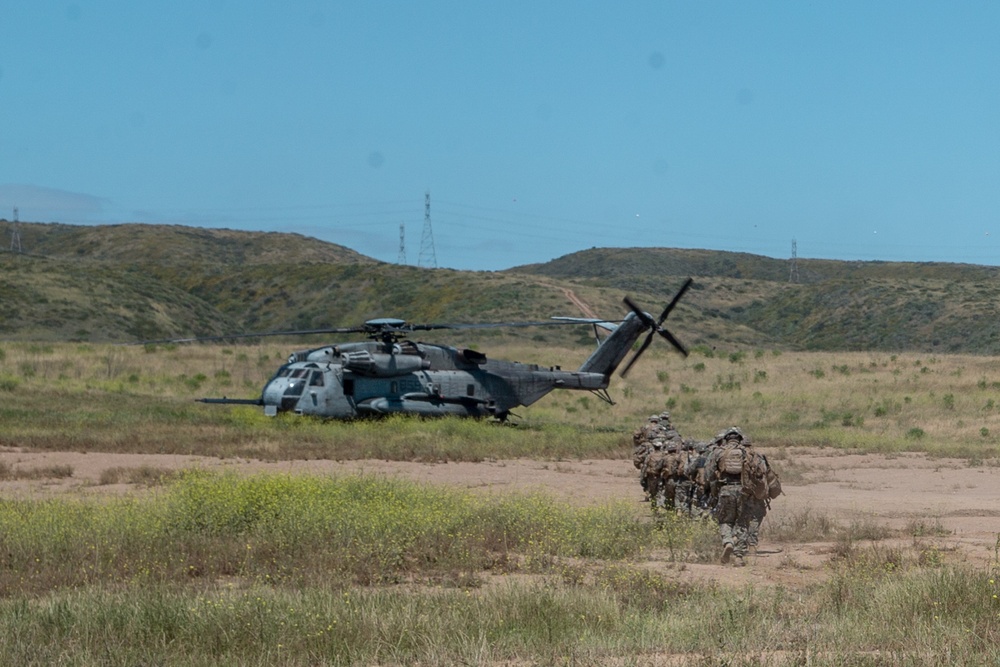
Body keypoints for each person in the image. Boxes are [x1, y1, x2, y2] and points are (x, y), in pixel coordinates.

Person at [705, 426, 779, 566]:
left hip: (725, 490)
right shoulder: (750, 453)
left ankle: (728, 542)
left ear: (726, 439)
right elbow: (762, 472)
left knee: (725, 521)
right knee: (742, 523)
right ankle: (739, 556)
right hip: (745, 492)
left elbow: (708, 475)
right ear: (740, 438)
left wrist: (714, 490)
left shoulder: (718, 452)